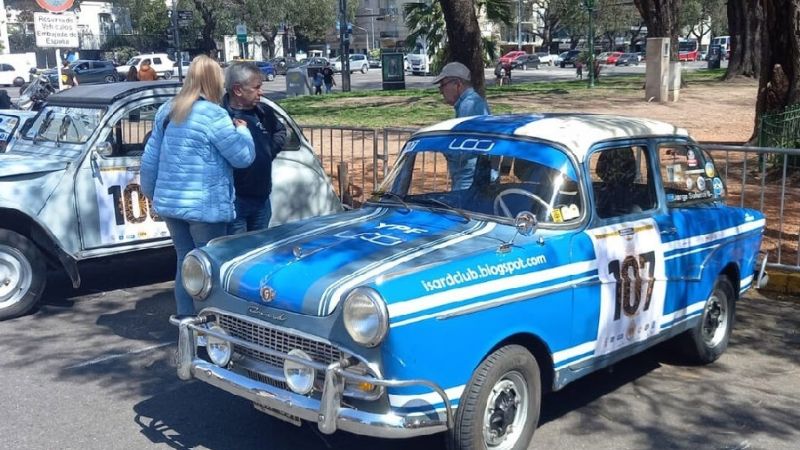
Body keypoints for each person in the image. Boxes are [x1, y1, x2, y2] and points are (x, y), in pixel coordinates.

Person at [141, 55, 255, 318]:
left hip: (171, 206)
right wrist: (242, 131)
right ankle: (211, 327)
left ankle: (185, 321)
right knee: (210, 268)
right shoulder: (214, 115)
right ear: (215, 81)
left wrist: (153, 194)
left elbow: (150, 161)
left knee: (185, 262)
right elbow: (242, 158)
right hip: (205, 208)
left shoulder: (167, 111)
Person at [223, 62, 287, 235]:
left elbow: (281, 131)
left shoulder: (263, 111)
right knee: (237, 253)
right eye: (256, 87)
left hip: (262, 198)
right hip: (235, 201)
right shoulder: (221, 117)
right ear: (237, 90)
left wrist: (267, 151)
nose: (261, 92)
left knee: (259, 250)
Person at [433, 62, 491, 190]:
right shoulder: (470, 103)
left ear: (458, 84)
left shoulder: (469, 106)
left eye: (443, 85)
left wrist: (443, 146)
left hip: (470, 178)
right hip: (472, 176)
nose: (441, 90)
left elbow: (464, 149)